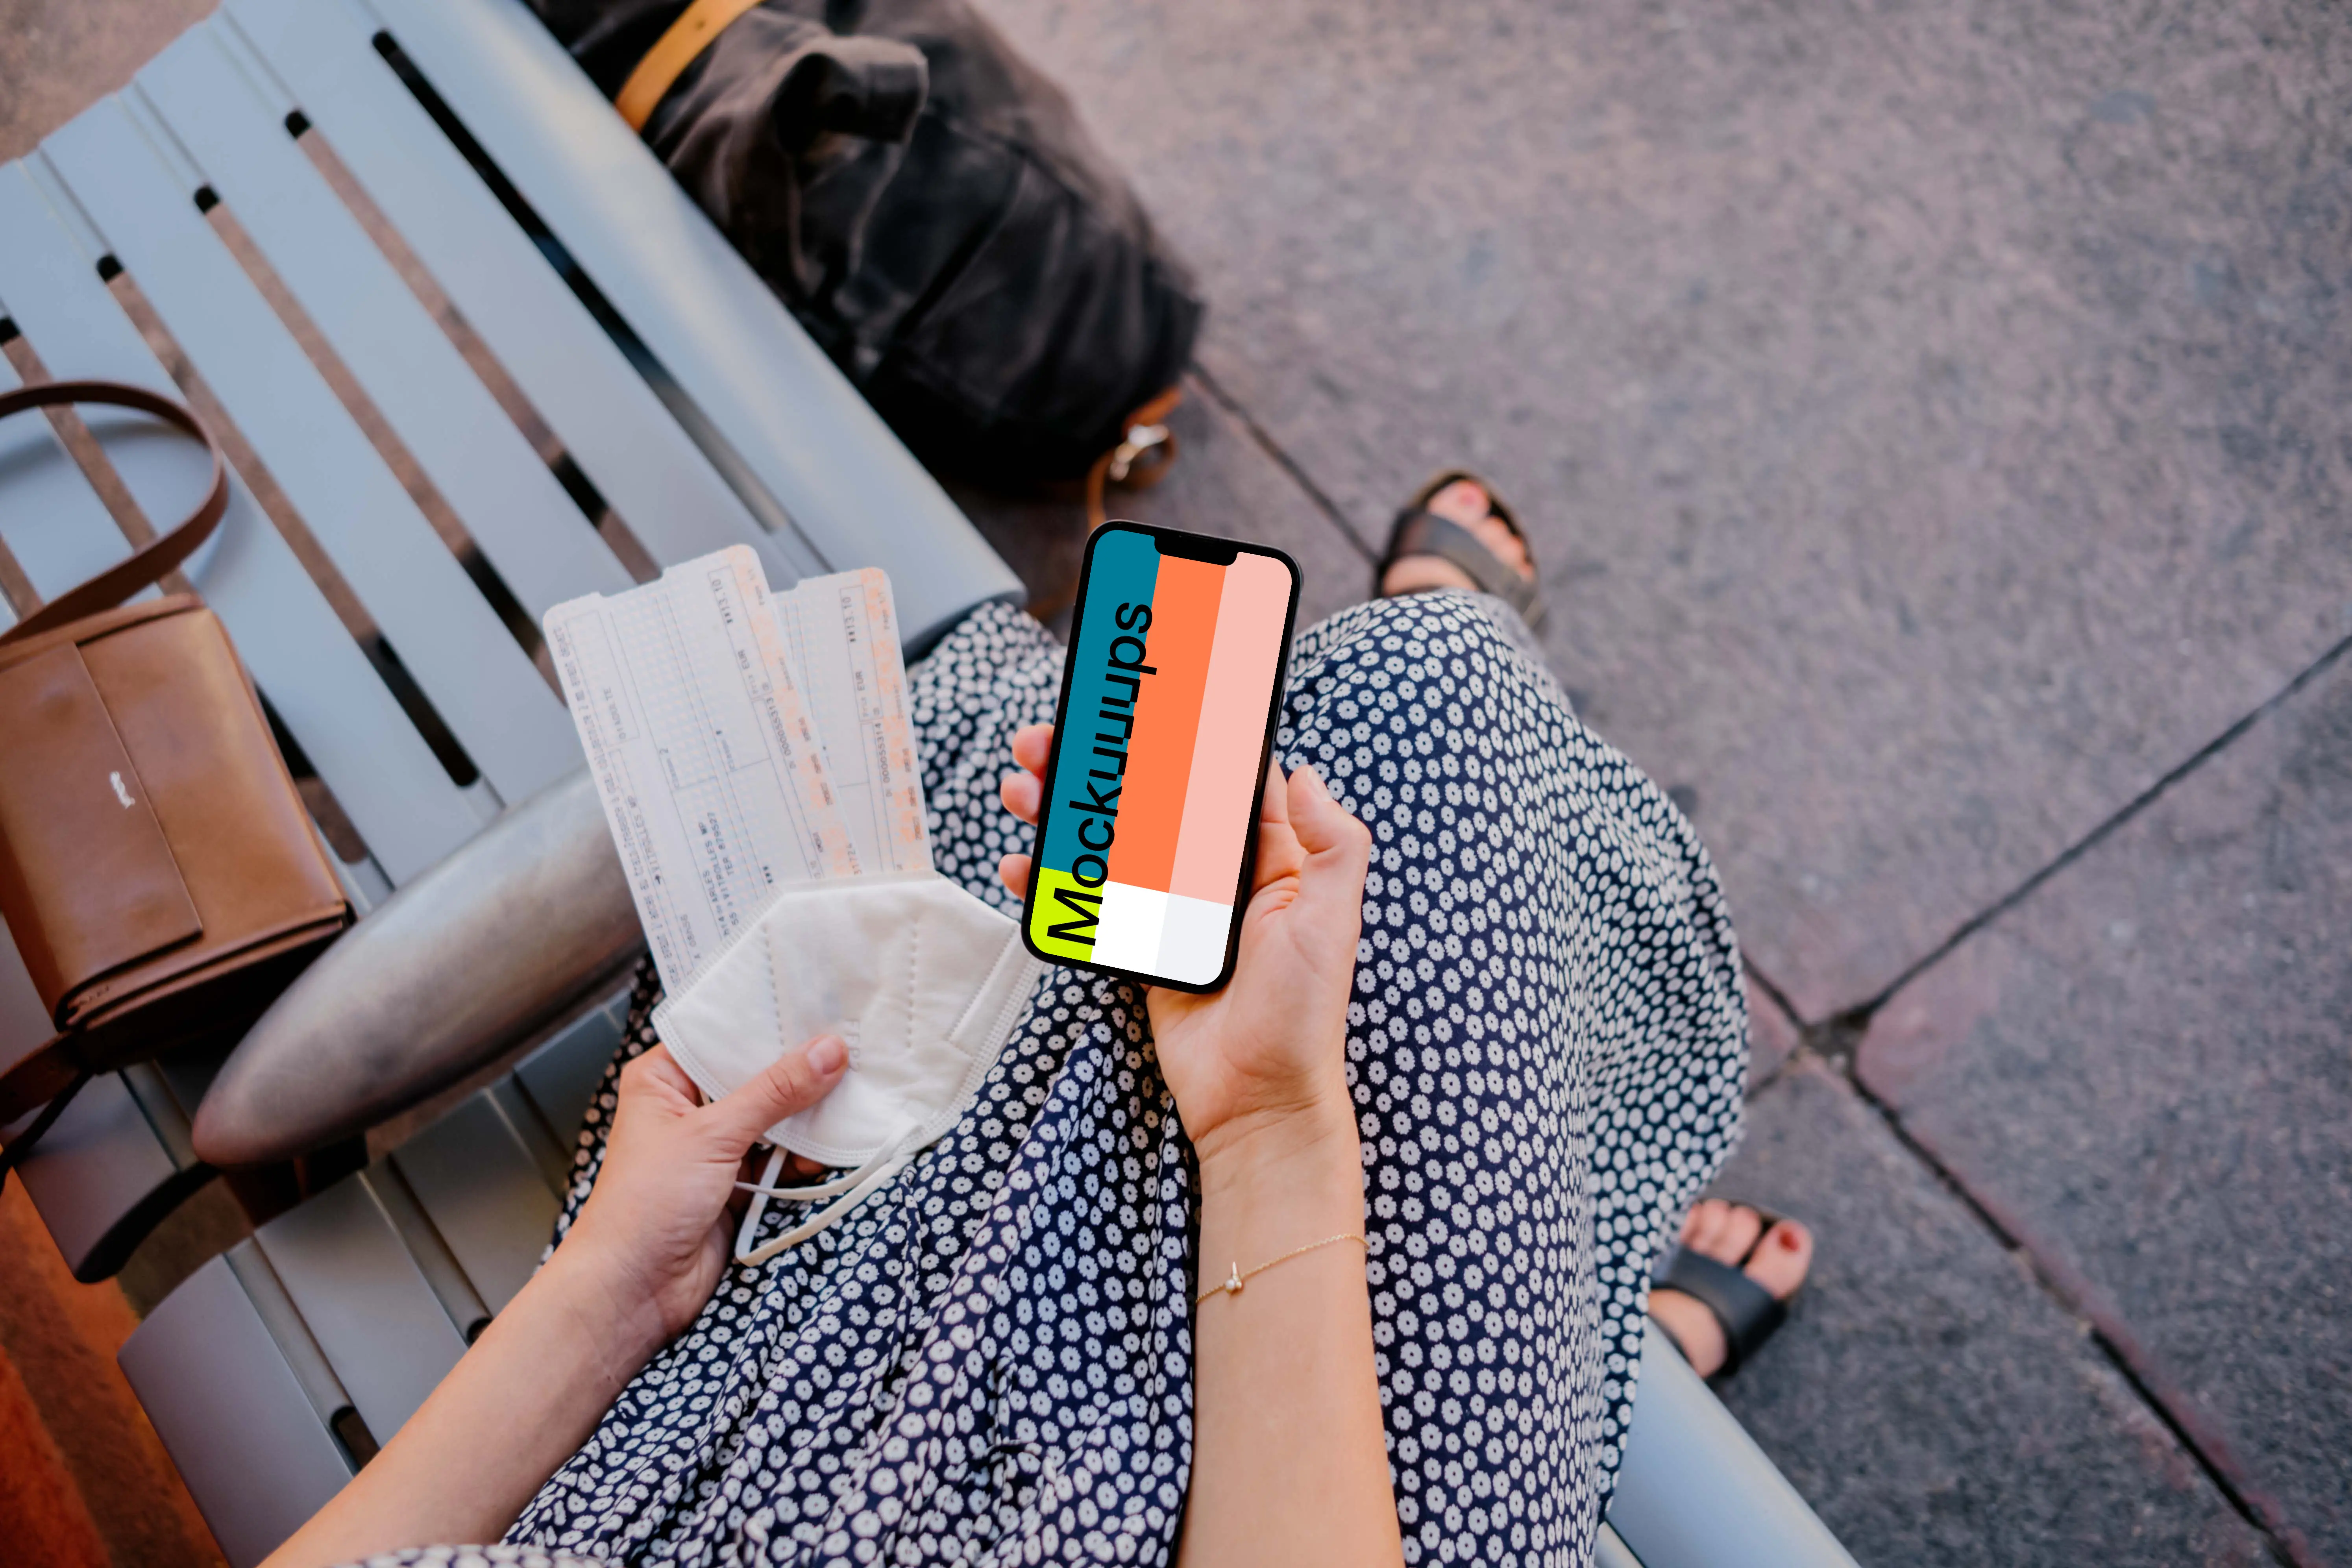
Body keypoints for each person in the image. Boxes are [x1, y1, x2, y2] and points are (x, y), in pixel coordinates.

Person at [259, 476, 1807, 1568]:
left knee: (1087, 851)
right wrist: (1270, 1123)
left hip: (719, 1441)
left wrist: (613, 1279)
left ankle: (1612, 1325)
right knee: (1421, 710)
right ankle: (1620, 1327)